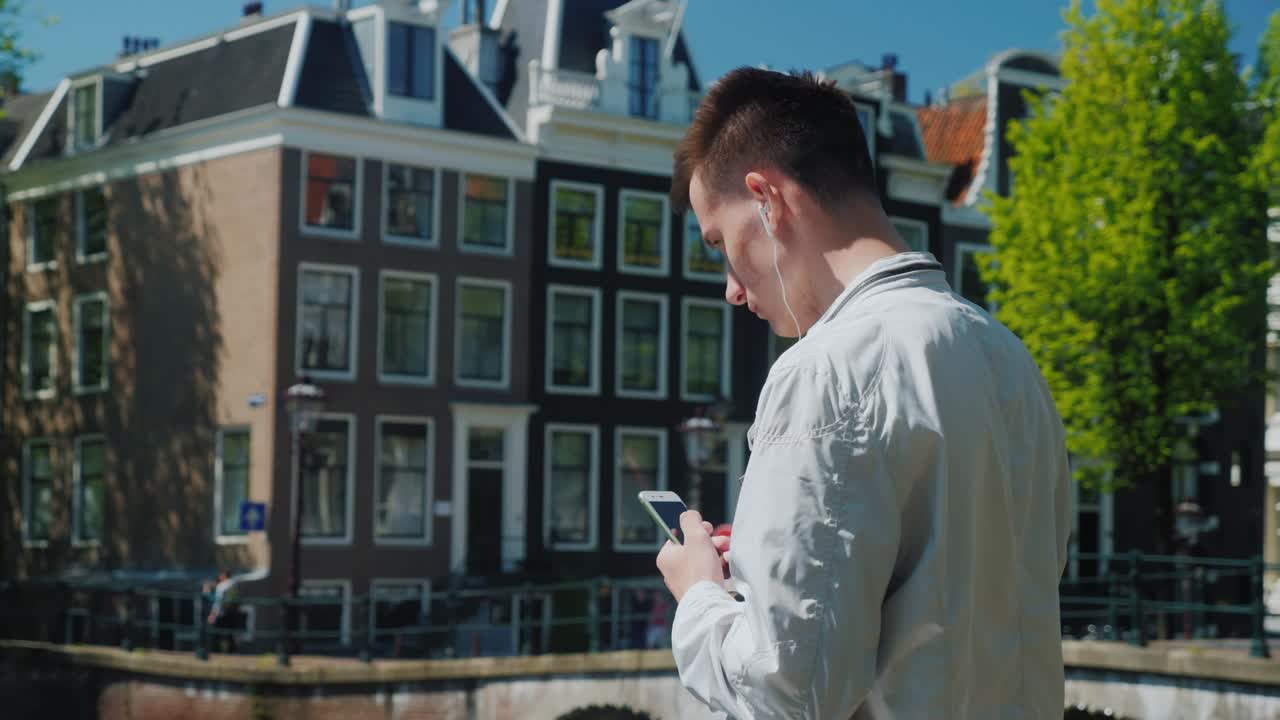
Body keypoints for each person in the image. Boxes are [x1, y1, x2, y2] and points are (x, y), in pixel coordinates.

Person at [655, 67, 1071, 719]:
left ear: (767, 200)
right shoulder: (1012, 361)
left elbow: (789, 692)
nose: (731, 287)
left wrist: (701, 596)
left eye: (721, 244)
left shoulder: (824, 370)